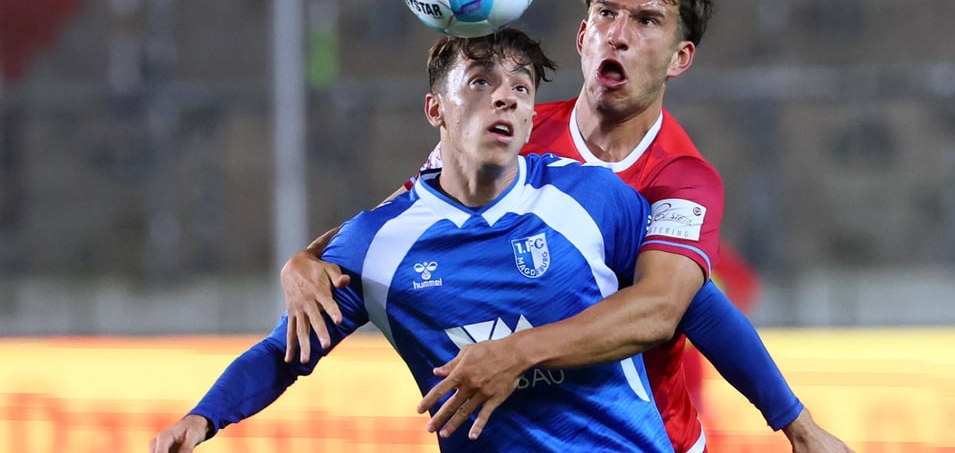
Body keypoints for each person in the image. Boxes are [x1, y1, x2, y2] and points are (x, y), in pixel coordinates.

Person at [281, 0, 854, 453]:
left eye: (647, 21)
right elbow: (405, 216)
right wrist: (309, 258)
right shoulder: (508, 133)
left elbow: (667, 309)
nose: (619, 34)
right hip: (515, 428)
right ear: (583, 36)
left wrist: (797, 425)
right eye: (606, 14)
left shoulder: (681, 180)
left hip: (645, 435)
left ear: (680, 58)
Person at [150, 29, 688, 453]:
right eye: (480, 82)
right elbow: (285, 351)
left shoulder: (593, 199)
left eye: (521, 88)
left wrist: (778, 414)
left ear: (530, 119)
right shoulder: (378, 244)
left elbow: (693, 307)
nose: (504, 97)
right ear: (436, 110)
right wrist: (203, 417)